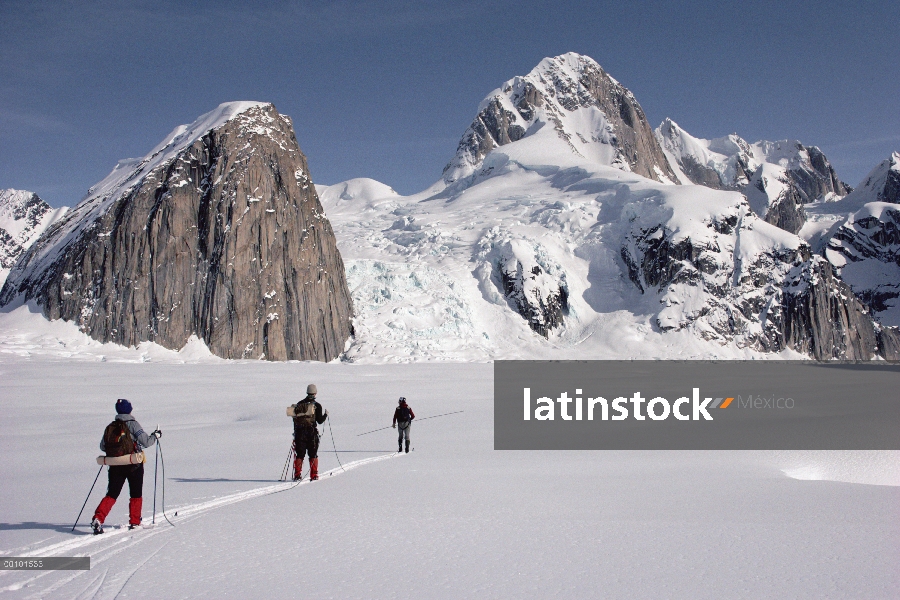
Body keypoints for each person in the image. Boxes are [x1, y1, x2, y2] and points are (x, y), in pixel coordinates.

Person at [91, 399, 161, 534]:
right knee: (135, 493)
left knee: (112, 493)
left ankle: (98, 518)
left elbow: (102, 446)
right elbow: (146, 442)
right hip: (133, 463)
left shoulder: (111, 426)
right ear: (129, 410)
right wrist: (155, 436)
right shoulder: (133, 424)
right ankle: (135, 522)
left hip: (115, 464)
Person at [288, 384, 328, 481]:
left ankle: (297, 475)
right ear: (315, 393)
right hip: (311, 433)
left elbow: (295, 420)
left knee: (300, 454)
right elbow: (320, 421)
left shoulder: (300, 404)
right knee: (313, 454)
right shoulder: (317, 405)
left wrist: (295, 434)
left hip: (299, 433)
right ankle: (314, 475)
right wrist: (325, 415)